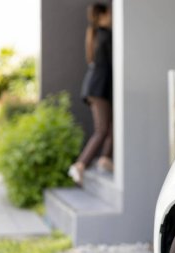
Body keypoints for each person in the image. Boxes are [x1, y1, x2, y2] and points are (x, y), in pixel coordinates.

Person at [68, 2, 113, 184]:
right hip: (98, 88)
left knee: (110, 127)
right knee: (102, 129)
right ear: (102, 16)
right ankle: (80, 165)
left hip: (94, 88)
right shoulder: (106, 35)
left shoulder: (95, 34)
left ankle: (105, 160)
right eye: (109, 14)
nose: (112, 18)